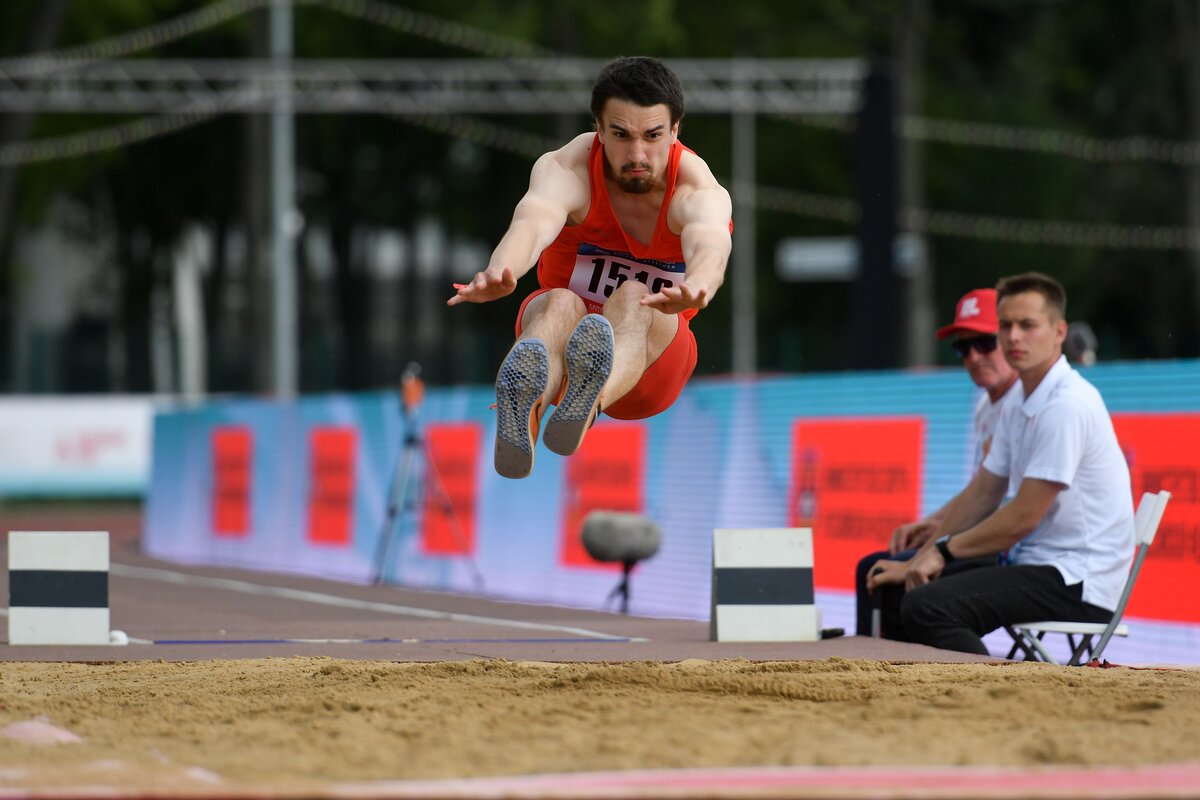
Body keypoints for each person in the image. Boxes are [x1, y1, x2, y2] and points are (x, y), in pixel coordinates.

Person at [448, 56, 733, 479]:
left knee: (636, 295)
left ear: (675, 130)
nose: (637, 154)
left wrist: (701, 285)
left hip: (650, 368)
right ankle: (526, 409)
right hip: (562, 352)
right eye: (620, 135)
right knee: (559, 301)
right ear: (598, 129)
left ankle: (592, 391)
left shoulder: (695, 188)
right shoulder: (567, 169)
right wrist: (500, 270)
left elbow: (710, 241)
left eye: (653, 136)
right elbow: (532, 222)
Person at [866, 272, 1134, 655]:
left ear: (1059, 332)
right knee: (896, 586)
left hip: (1079, 581)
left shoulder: (1066, 405)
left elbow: (1022, 517)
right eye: (1005, 326)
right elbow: (984, 491)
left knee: (928, 607)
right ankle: (902, 702)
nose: (1013, 337)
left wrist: (939, 552)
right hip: (1041, 563)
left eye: (1027, 325)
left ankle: (993, 701)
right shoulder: (1021, 398)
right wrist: (923, 554)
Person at [853, 288, 1019, 636]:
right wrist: (934, 522)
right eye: (963, 347)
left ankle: (925, 678)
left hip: (1019, 553)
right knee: (877, 571)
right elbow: (982, 491)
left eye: (985, 343)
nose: (974, 356)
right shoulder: (987, 405)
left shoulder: (1023, 404)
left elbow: (997, 503)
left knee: (895, 583)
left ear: (1009, 338)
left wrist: (932, 549)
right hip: (997, 542)